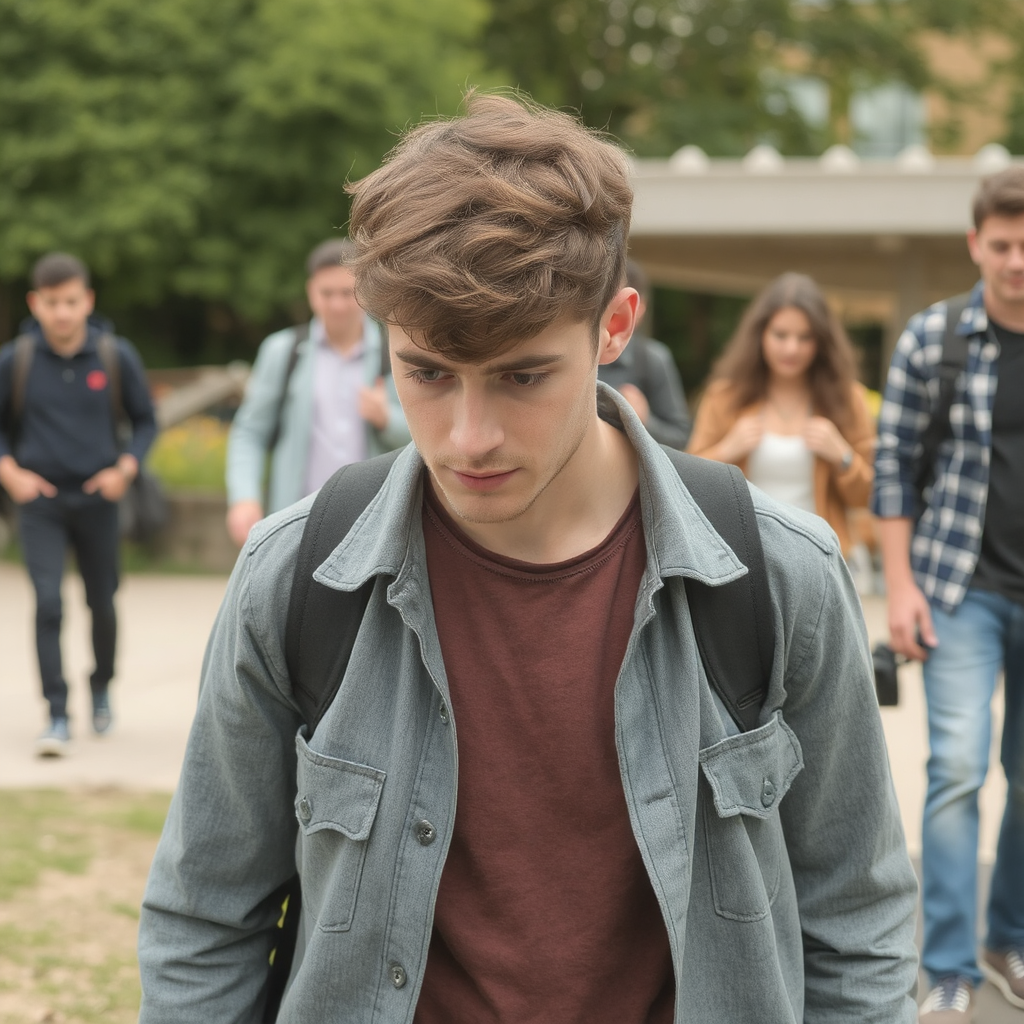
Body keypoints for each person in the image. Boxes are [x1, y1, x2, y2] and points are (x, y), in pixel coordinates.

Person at [138, 94, 918, 1023]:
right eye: (427, 373)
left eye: (522, 375)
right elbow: (202, 921)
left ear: (615, 327)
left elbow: (859, 925)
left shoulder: (777, 574)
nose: (469, 436)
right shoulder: (296, 577)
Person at [873, 167, 1024, 1022]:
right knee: (958, 771)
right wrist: (900, 587)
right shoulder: (936, 338)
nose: (1015, 262)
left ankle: (1011, 939)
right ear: (976, 244)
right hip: (958, 587)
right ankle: (951, 965)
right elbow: (893, 463)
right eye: (1001, 245)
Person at [0, 252, 157, 756]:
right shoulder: (16, 360)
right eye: (52, 303)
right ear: (36, 304)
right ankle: (57, 712)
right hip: (38, 500)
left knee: (102, 602)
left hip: (99, 498)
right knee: (47, 604)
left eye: (71, 301)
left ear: (86, 300)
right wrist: (10, 474)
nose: (62, 313)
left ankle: (101, 687)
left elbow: (146, 420)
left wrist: (124, 471)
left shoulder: (116, 355)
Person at [224, 238, 410, 546]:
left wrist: (386, 419)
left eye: (346, 293)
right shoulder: (282, 351)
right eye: (327, 294)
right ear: (311, 292)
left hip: (372, 527)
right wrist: (244, 497)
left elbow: (425, 441)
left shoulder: (395, 351)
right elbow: (250, 432)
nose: (337, 305)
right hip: (295, 524)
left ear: (364, 291)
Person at [687, 272, 876, 561]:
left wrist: (843, 456)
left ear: (822, 341)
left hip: (821, 560)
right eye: (780, 335)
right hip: (742, 560)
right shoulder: (724, 397)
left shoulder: (848, 400)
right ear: (760, 334)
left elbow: (870, 497)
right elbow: (687, 482)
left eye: (805, 337)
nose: (792, 348)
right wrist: (727, 449)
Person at [597, 258, 690, 447]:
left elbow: (681, 438)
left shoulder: (652, 358)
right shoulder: (574, 352)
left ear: (637, 311)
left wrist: (645, 419)